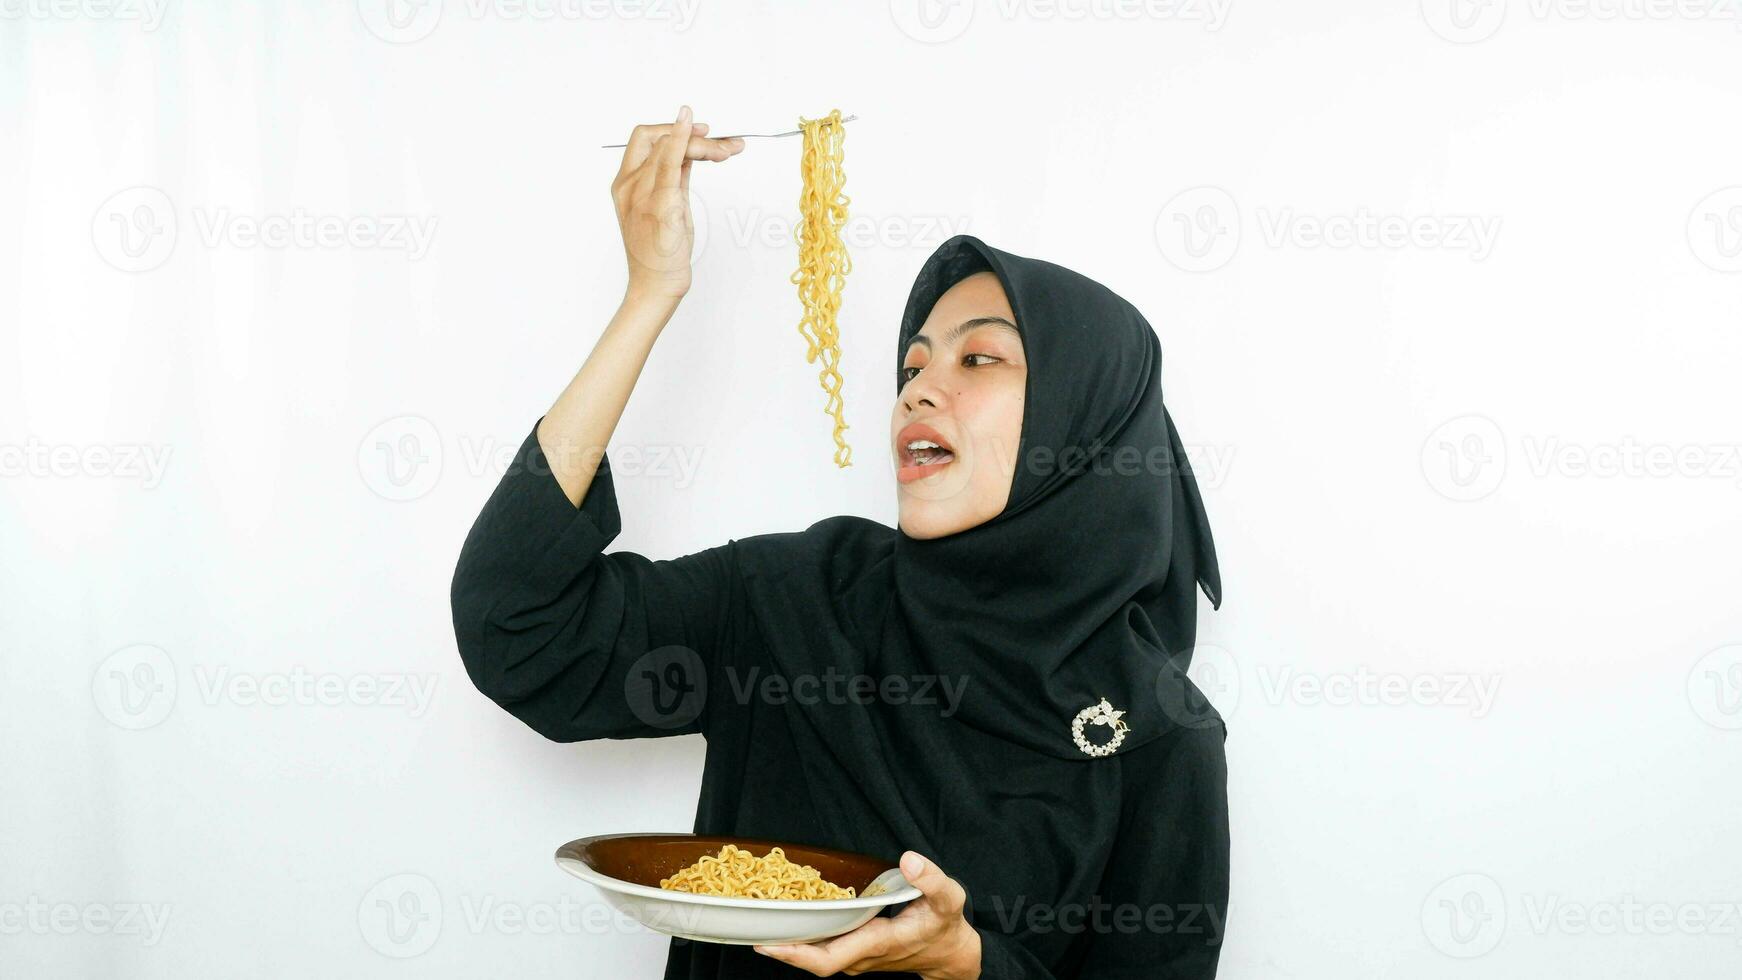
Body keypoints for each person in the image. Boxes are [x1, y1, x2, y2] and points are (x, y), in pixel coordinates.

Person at [450, 105, 1229, 979]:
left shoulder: (1160, 733)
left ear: (1087, 423)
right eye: (912, 365)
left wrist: (967, 964)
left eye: (978, 361)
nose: (920, 389)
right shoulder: (796, 598)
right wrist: (649, 295)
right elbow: (517, 627)